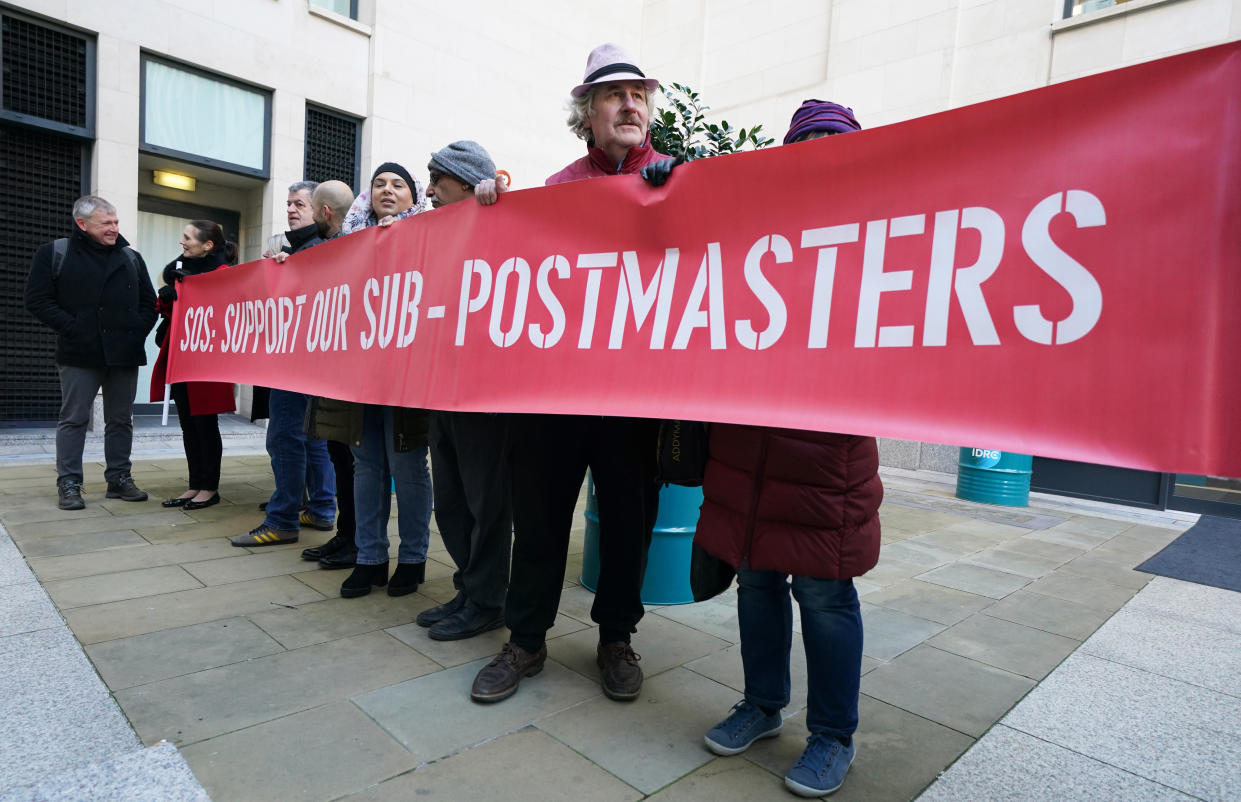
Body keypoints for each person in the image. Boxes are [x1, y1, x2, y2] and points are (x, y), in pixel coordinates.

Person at [692, 100, 881, 800]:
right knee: (756, 578)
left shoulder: (880, 237)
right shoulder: (752, 230)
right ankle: (762, 705)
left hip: (825, 457)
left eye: (833, 142)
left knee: (826, 594)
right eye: (807, 143)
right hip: (748, 448)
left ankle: (833, 736)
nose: (819, 154)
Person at [469, 43, 664, 704]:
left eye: (638, 93)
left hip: (636, 399)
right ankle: (525, 641)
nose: (629, 104)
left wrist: (679, 204)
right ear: (587, 113)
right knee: (541, 521)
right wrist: (491, 209)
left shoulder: (680, 179)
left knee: (630, 523)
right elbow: (506, 268)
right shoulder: (555, 191)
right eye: (613, 95)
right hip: (555, 397)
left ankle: (616, 637)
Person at [412, 141, 513, 640]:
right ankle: (471, 587)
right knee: (449, 502)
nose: (428, 189)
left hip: (485, 398)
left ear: (469, 182)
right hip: (441, 390)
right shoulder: (429, 236)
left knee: (485, 504)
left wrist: (497, 197)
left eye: (437, 178)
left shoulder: (501, 224)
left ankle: (489, 598)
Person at [323, 163, 433, 599]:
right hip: (360, 373)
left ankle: (413, 559)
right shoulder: (346, 243)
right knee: (366, 467)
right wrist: (285, 266)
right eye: (379, 184)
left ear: (414, 196)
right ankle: (370, 558)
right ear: (367, 196)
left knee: (406, 466)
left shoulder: (431, 232)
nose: (388, 190)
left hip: (407, 371)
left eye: (398, 184)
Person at [24, 195, 157, 510]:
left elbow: (149, 303)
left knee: (121, 419)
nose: (114, 228)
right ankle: (69, 483)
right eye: (106, 223)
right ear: (82, 224)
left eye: (115, 222)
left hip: (123, 351)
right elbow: (37, 300)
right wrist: (74, 327)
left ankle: (119, 479)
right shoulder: (55, 253)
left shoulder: (131, 257)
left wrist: (136, 330)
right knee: (74, 418)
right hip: (79, 351)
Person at [231, 181, 337, 546]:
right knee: (311, 438)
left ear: (320, 209)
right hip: (306, 362)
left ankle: (283, 519)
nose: (291, 210)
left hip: (297, 362)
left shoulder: (315, 249)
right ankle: (321, 508)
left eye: (299, 204)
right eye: (288, 204)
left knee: (284, 437)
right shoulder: (299, 249)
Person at [298, 180, 364, 569]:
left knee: (351, 461)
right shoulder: (326, 250)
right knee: (339, 456)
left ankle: (355, 540)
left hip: (349, 375)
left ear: (324, 212)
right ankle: (346, 535)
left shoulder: (348, 247)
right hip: (333, 373)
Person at [151, 220, 237, 510]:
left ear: (207, 245)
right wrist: (167, 296)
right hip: (183, 356)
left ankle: (209, 488)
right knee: (188, 423)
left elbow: (227, 311)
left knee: (205, 424)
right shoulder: (180, 268)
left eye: (187, 238)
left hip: (208, 361)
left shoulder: (223, 273)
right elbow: (170, 311)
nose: (182, 242)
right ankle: (195, 484)